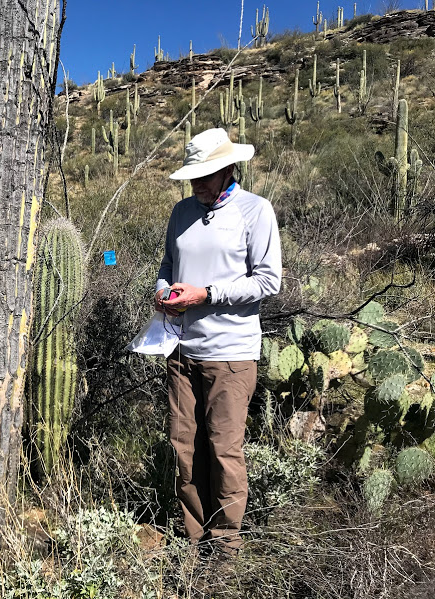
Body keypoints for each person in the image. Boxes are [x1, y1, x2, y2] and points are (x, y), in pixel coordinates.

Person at [154, 128, 282, 555]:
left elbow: (268, 280)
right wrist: (164, 291)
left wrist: (206, 293)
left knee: (225, 451)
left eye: (207, 175)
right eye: (195, 176)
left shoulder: (255, 211)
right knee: (184, 447)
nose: (200, 184)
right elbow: (168, 264)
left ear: (230, 168)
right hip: (181, 350)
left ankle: (225, 548)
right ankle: (194, 539)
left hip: (231, 354)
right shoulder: (181, 212)